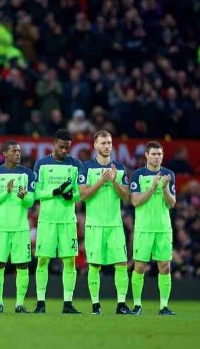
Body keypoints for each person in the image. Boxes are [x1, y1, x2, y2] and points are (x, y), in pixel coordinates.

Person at [78, 131, 132, 315]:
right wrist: (102, 180)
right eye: (103, 143)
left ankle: (121, 305)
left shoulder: (120, 168)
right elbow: (83, 195)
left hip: (115, 225)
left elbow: (126, 196)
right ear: (95, 145)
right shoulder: (86, 168)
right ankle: (95, 305)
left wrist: (115, 180)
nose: (107, 146)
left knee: (121, 263)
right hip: (94, 225)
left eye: (109, 143)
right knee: (94, 265)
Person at [33, 129, 82, 314]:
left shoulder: (76, 164)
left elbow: (81, 193)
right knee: (43, 260)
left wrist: (72, 196)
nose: (64, 151)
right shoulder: (42, 164)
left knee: (69, 261)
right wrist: (54, 192)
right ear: (54, 143)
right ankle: (40, 303)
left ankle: (68, 303)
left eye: (67, 148)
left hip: (67, 221)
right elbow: (36, 193)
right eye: (61, 147)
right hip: (47, 221)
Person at [0, 141, 35, 313]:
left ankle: (19, 304)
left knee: (22, 266)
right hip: (0, 228)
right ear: (5, 153)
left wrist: (24, 197)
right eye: (14, 151)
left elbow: (30, 202)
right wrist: (6, 192)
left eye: (19, 151)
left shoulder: (28, 174)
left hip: (20, 228)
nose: (18, 154)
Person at [130, 141, 177, 315]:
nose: (157, 157)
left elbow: (172, 203)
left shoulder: (169, 174)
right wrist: (152, 188)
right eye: (154, 154)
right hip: (144, 228)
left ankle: (163, 307)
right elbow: (135, 201)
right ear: (147, 155)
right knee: (139, 266)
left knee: (165, 266)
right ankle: (137, 305)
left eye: (160, 154)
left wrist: (164, 189)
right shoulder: (137, 175)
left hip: (163, 228)